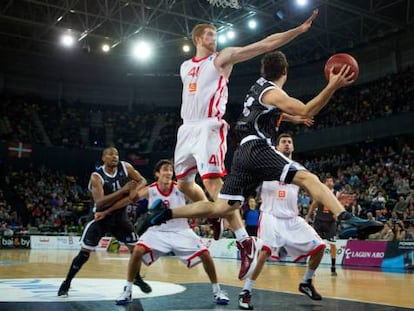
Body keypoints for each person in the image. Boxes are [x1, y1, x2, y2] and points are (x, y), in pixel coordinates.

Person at [136, 50, 384, 281]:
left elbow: (266, 111)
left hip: (244, 152)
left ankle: (163, 213)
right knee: (308, 179)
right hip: (258, 148)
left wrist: (291, 118)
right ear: (285, 72)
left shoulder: (257, 87)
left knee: (223, 207)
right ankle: (346, 217)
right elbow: (308, 107)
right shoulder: (273, 92)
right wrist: (332, 85)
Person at [173, 10, 320, 241]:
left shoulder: (221, 59)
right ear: (198, 39)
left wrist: (298, 31)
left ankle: (243, 240)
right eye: (210, 34)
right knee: (183, 185)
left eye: (216, 34)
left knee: (213, 183)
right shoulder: (184, 67)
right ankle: (211, 212)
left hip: (208, 126)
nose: (215, 38)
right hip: (186, 128)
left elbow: (263, 45)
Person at [106, 160, 229, 305]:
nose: (169, 172)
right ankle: (127, 290)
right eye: (165, 169)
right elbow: (128, 200)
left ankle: (217, 291)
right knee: (137, 251)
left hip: (181, 230)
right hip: (157, 232)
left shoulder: (182, 188)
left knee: (205, 254)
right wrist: (107, 211)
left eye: (171, 170)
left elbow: (200, 204)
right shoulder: (150, 189)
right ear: (157, 174)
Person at [239, 133, 326, 310]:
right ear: (277, 147)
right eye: (283, 142)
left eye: (289, 142)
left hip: (292, 219)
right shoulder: (265, 167)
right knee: (264, 253)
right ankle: (246, 291)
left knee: (320, 246)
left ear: (293, 147)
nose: (287, 144)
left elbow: (314, 189)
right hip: (270, 216)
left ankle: (306, 281)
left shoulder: (300, 170)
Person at [57, 146, 151, 297]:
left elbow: (142, 180)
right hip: (100, 217)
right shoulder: (97, 176)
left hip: (120, 217)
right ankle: (66, 283)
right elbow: (100, 203)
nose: (115, 156)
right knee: (84, 253)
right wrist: (123, 190)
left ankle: (137, 278)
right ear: (103, 158)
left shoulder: (125, 167)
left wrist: (133, 191)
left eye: (117, 154)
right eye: (110, 154)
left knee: (136, 250)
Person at [306, 175, 339, 276]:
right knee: (315, 244)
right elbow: (314, 205)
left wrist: (337, 214)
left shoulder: (337, 194)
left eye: (331, 181)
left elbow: (340, 206)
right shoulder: (320, 193)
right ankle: (311, 267)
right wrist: (308, 216)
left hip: (330, 222)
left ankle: (333, 267)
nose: (329, 183)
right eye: (327, 181)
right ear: (324, 183)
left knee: (333, 245)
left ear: (333, 183)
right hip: (319, 221)